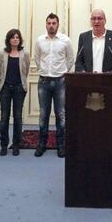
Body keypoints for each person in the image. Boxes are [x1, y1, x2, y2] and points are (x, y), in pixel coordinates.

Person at [34, 13, 74, 158]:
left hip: (60, 82)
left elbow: (70, 59)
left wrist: (62, 72)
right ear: (46, 24)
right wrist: (43, 70)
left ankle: (60, 146)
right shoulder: (39, 40)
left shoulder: (65, 41)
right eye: (49, 23)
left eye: (54, 23)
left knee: (61, 115)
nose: (51, 25)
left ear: (58, 24)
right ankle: (41, 145)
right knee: (43, 115)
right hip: (43, 82)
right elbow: (37, 58)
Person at [0, 29, 30, 156]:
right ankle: (4, 145)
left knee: (17, 116)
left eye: (17, 37)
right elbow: (0, 70)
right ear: (8, 39)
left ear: (20, 39)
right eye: (12, 37)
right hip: (5, 88)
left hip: (19, 89)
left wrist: (20, 83)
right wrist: (3, 83)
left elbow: (25, 71)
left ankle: (16, 145)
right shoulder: (2, 53)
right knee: (4, 117)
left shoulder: (24, 53)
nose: (15, 39)